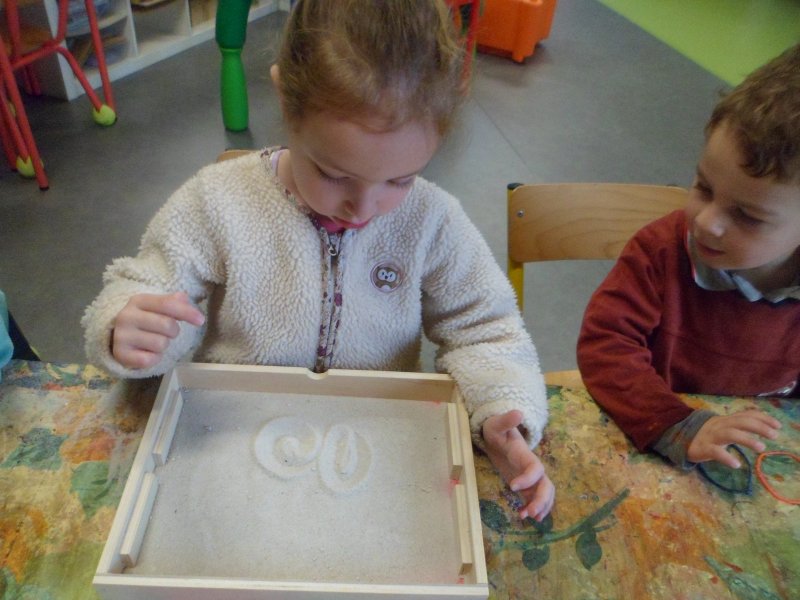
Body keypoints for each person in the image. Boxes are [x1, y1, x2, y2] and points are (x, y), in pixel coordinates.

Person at [82, 0, 554, 520]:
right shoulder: (215, 202)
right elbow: (146, 285)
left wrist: (498, 412)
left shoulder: (433, 220)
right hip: (231, 447)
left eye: (400, 180)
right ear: (286, 100)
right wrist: (128, 327)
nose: (363, 209)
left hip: (375, 455)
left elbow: (487, 330)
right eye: (334, 174)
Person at [577, 43, 800, 470]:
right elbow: (606, 343)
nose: (707, 222)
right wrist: (676, 424)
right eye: (703, 188)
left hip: (764, 457)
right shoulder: (660, 250)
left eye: (747, 216)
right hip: (661, 436)